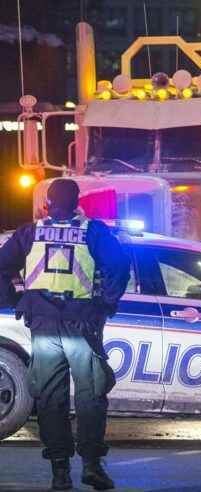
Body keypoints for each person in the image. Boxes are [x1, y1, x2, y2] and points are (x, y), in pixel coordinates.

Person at [0, 179, 130, 491]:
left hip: (44, 327)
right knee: (91, 398)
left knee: (50, 400)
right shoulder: (93, 232)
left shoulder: (30, 232)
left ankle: (60, 472)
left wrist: (15, 300)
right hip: (81, 325)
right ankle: (92, 466)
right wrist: (105, 305)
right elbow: (121, 266)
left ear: (47, 202)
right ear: (77, 202)